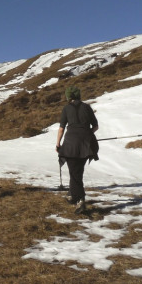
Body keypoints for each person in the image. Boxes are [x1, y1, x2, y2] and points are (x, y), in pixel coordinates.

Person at [55, 85, 99, 213]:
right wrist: (87, 133)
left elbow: (61, 128)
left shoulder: (66, 108)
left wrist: (58, 144)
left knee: (74, 173)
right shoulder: (87, 107)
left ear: (69, 97)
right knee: (77, 171)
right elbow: (95, 126)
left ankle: (80, 200)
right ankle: (73, 195)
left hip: (70, 144)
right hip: (86, 144)